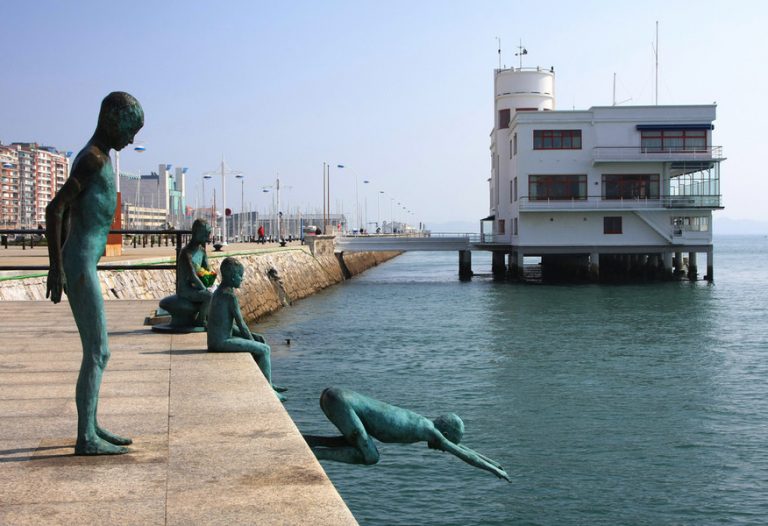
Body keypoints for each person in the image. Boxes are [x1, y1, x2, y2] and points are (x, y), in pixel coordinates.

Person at [46, 92, 144, 455]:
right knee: (99, 350)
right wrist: (57, 267)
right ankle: (86, 437)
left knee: (97, 351)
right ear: (113, 119)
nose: (131, 140)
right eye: (130, 130)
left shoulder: (96, 158)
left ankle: (91, 425)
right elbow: (55, 209)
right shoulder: (91, 160)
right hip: (80, 264)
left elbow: (68, 213)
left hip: (82, 260)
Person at [303, 387, 510, 481]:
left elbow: (461, 448)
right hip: (341, 402)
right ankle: (316, 454)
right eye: (446, 442)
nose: (443, 449)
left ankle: (307, 442)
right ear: (445, 432)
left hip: (337, 396)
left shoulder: (423, 423)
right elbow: (464, 455)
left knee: (356, 443)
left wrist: (493, 461)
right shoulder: (429, 430)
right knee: (371, 456)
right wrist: (495, 471)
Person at [207, 257, 286, 401]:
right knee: (264, 349)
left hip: (216, 339)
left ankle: (269, 383)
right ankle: (269, 391)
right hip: (220, 342)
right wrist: (252, 342)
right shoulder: (230, 296)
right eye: (240, 276)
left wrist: (254, 337)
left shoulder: (218, 292)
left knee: (260, 339)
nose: (242, 280)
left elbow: (225, 324)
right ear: (232, 277)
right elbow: (241, 325)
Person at [175, 218, 213, 326]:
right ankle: (200, 320)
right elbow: (192, 276)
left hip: (196, 287)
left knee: (216, 292)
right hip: (185, 289)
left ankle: (211, 318)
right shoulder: (186, 253)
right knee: (209, 296)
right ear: (197, 233)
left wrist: (212, 283)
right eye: (205, 234)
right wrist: (206, 289)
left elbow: (207, 271)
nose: (208, 237)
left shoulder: (202, 250)